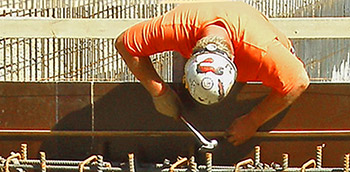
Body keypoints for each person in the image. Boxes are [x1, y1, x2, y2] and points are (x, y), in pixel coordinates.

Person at [115, 1, 310, 145]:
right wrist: (159, 92)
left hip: (253, 41)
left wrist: (253, 120)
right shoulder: (177, 29)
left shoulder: (262, 51)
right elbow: (125, 43)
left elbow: (299, 81)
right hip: (200, 21)